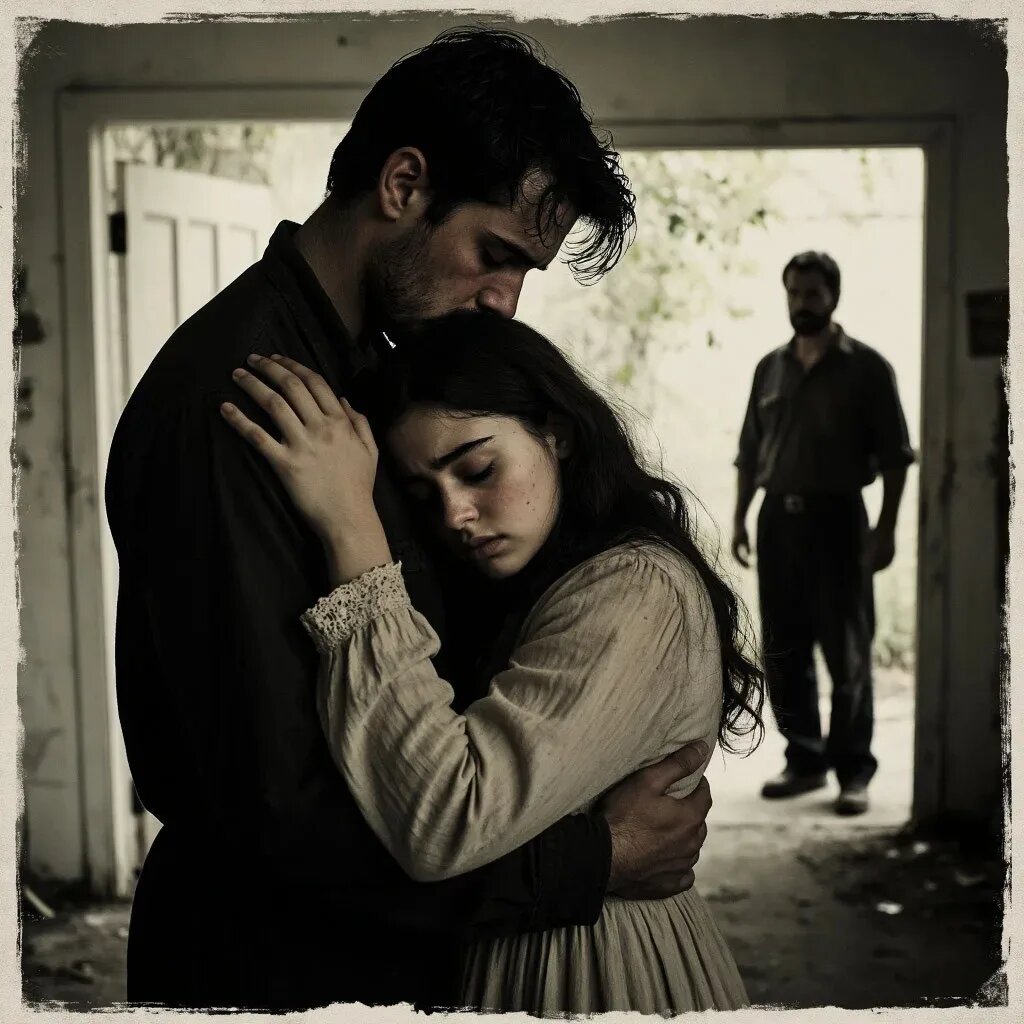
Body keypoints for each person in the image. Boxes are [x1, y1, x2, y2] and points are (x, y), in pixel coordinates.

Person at [105, 28, 714, 1011]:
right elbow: (282, 806)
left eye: (525, 274)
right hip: (280, 969)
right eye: (494, 256)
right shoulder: (247, 402)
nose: (504, 302)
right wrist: (586, 860)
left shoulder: (379, 376)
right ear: (402, 184)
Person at [219, 311, 763, 1014]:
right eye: (424, 495)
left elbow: (448, 818)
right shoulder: (527, 584)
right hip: (510, 958)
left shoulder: (636, 588)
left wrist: (350, 527)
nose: (455, 514)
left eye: (477, 470)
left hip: (601, 972)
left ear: (557, 433)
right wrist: (607, 851)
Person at [732, 251, 915, 816]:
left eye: (812, 293)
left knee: (847, 649)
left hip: (839, 520)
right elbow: (749, 451)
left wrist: (885, 529)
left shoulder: (868, 368)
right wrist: (739, 517)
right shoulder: (770, 368)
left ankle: (853, 770)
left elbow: (896, 457)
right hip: (777, 522)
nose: (801, 304)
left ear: (833, 296)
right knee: (785, 648)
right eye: (794, 293)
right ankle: (805, 760)